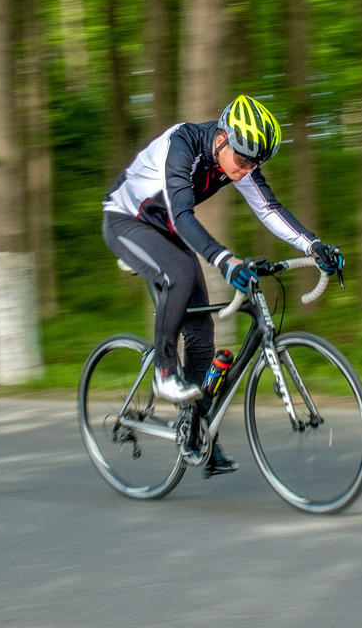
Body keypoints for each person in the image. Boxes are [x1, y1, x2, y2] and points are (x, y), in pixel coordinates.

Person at [102, 94, 345, 476]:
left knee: (201, 330)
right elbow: (182, 216)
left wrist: (314, 245)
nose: (246, 170)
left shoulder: (240, 163)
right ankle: (165, 371)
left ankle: (198, 432)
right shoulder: (182, 145)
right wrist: (223, 259)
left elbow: (269, 208)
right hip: (126, 221)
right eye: (243, 160)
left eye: (255, 164)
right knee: (180, 274)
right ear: (222, 139)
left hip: (164, 229)